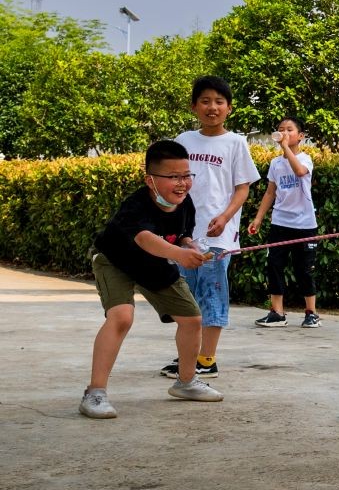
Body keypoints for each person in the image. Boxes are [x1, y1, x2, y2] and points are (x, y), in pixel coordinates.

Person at [82, 139, 224, 415]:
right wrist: (179, 254)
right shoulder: (135, 205)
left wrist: (189, 246)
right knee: (121, 317)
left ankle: (186, 382)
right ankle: (95, 393)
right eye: (173, 177)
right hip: (116, 262)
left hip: (154, 265)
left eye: (186, 175)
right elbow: (145, 239)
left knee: (192, 319)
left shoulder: (185, 204)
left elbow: (182, 234)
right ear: (150, 180)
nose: (182, 183)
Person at [162, 74, 257, 380]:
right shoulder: (183, 141)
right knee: (184, 296)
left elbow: (242, 188)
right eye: (205, 101)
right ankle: (187, 357)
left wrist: (225, 217)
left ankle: (207, 359)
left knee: (212, 293)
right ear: (194, 106)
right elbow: (170, 181)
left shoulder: (236, 143)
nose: (212, 107)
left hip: (219, 236)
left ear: (229, 107)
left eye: (219, 101)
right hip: (185, 236)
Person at [248, 116, 320, 329]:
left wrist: (285, 148)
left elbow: (299, 171)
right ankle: (277, 313)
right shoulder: (275, 163)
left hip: (305, 224)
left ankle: (311, 313)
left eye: (289, 129)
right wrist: (259, 218)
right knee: (274, 266)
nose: (284, 133)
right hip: (280, 222)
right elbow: (271, 192)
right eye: (281, 129)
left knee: (304, 269)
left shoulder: (306, 159)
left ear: (301, 136)